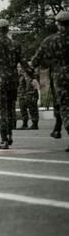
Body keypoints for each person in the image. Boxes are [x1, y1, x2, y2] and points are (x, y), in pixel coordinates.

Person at [0, 19, 38, 149]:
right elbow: (25, 64)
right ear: (8, 29)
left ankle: (4, 139)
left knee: (1, 111)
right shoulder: (16, 45)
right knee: (10, 108)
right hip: (13, 82)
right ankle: (10, 134)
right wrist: (33, 77)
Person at [31, 11, 69, 152]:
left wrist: (33, 72)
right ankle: (57, 129)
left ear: (58, 24)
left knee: (64, 106)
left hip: (61, 78)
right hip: (59, 78)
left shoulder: (50, 40)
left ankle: (60, 129)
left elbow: (35, 60)